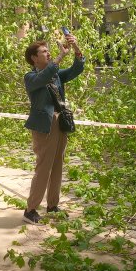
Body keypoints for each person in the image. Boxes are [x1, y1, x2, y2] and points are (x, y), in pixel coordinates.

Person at [22, 32, 84, 224]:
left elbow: (76, 69)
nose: (48, 53)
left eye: (49, 51)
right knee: (43, 167)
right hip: (44, 127)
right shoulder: (31, 77)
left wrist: (75, 47)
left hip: (60, 123)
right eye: (44, 51)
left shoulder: (55, 74)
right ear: (34, 58)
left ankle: (52, 206)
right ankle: (30, 209)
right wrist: (60, 56)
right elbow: (45, 75)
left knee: (57, 165)